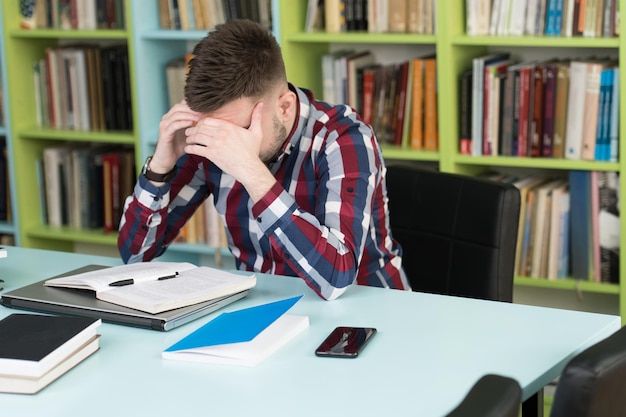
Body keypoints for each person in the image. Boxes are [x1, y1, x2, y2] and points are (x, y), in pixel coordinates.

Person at [118, 19, 409, 300]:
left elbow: (337, 278)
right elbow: (135, 255)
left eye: (240, 130)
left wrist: (252, 172)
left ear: (284, 107)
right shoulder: (212, 137)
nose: (227, 144)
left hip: (368, 312)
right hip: (264, 313)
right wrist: (160, 167)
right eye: (218, 130)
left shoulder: (344, 139)